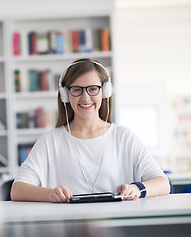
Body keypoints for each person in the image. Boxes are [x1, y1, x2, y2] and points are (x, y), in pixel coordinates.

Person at [10, 58, 170, 203]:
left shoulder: (123, 137)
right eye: (77, 89)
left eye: (93, 89)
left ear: (105, 92)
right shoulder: (51, 140)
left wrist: (137, 189)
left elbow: (163, 183)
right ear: (66, 95)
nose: (85, 98)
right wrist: (50, 194)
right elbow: (17, 190)